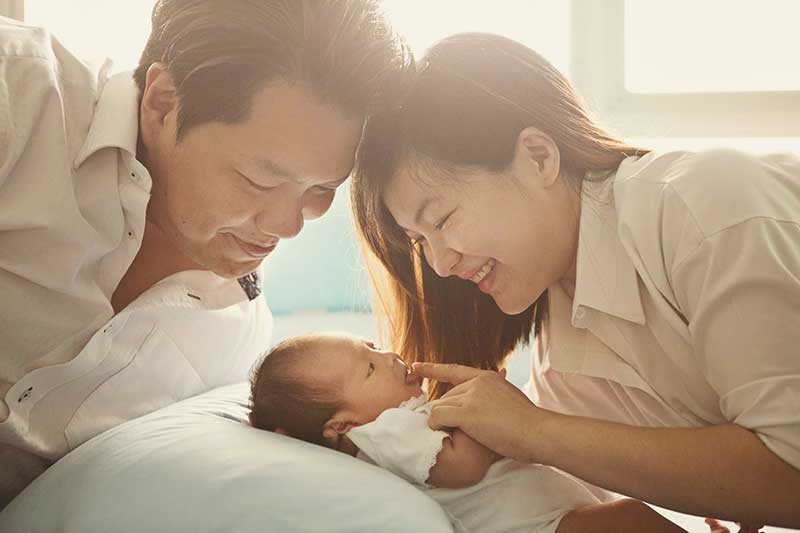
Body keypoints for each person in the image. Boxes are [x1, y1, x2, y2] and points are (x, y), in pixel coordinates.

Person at [350, 32, 800, 529]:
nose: (438, 265)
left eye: (441, 220)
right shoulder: (563, 343)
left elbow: (791, 467)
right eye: (418, 241)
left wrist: (537, 430)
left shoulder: (704, 209)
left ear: (539, 157)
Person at [0, 0, 410, 507]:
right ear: (163, 100)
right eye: (259, 179)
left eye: (322, 189)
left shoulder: (234, 345)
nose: (287, 226)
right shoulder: (18, 93)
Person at [249, 332, 698, 533]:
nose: (387, 355)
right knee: (629, 520)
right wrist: (489, 411)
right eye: (369, 367)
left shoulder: (403, 420)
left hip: (556, 513)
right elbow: (460, 467)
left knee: (624, 514)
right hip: (539, 527)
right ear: (342, 425)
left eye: (372, 345)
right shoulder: (384, 432)